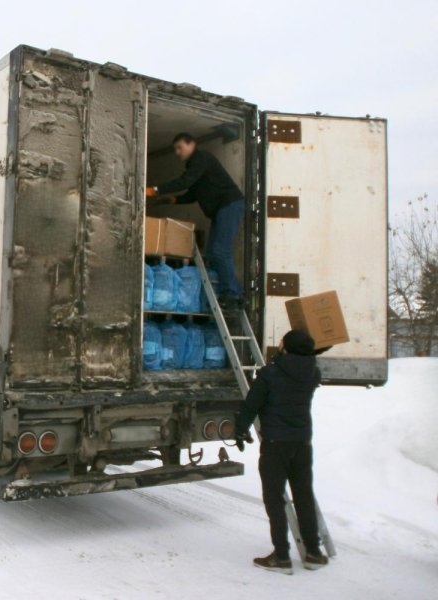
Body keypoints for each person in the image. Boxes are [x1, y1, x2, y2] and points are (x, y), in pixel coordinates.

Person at [234, 329, 330, 575]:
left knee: (274, 499)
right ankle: (313, 553)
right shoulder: (312, 373)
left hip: (276, 444)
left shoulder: (270, 374)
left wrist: (240, 430)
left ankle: (281, 556)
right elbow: (303, 360)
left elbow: (251, 405)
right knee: (304, 496)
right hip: (302, 444)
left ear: (286, 347)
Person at [146, 133, 244, 309]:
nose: (177, 152)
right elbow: (192, 194)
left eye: (179, 147)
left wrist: (156, 189)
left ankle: (233, 293)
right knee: (214, 253)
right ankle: (230, 292)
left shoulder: (202, 158)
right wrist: (170, 200)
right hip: (220, 210)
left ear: (192, 144)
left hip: (229, 205)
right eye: (175, 149)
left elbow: (185, 181)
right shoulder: (195, 167)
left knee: (221, 251)